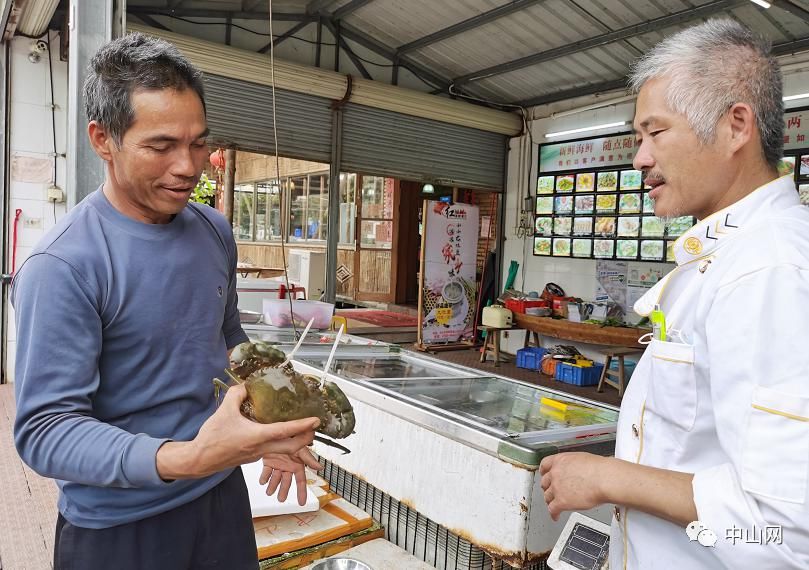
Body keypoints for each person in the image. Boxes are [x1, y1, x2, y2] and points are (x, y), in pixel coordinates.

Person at [12, 33, 321, 570]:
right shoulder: (65, 266)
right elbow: (46, 432)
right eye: (161, 146)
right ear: (102, 140)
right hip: (117, 527)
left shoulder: (212, 230)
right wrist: (190, 456)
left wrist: (274, 421)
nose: (188, 166)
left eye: (199, 142)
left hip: (220, 500)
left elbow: (228, 343)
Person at [539, 19, 809, 569]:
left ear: (736, 127)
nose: (639, 158)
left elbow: (782, 535)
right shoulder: (727, 254)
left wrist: (610, 476)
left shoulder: (768, 270)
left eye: (655, 133)